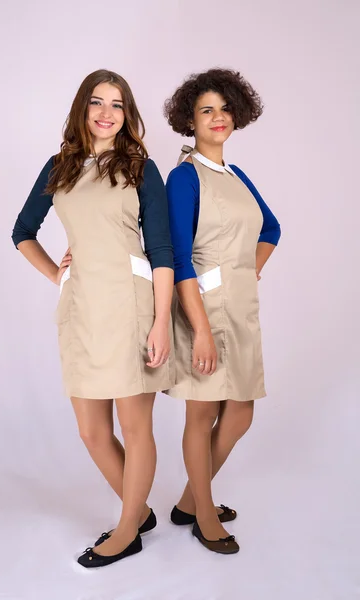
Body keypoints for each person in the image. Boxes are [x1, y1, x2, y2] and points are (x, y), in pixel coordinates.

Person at [12, 69, 175, 568]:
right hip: (82, 307)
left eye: (118, 104)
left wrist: (162, 319)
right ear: (82, 108)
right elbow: (22, 230)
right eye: (97, 102)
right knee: (91, 431)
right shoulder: (58, 166)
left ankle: (128, 528)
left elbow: (163, 249)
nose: (106, 113)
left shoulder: (141, 168)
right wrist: (56, 275)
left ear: (127, 116)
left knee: (134, 425)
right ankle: (139, 509)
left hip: (132, 305)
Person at [163, 68, 281, 554]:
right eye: (205, 110)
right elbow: (179, 256)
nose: (217, 117)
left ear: (238, 114)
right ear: (189, 120)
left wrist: (245, 270)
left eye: (224, 108)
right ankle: (204, 516)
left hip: (240, 311)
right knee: (202, 414)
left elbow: (270, 229)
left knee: (240, 414)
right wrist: (201, 330)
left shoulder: (236, 175)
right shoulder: (184, 177)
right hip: (201, 312)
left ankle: (193, 500)